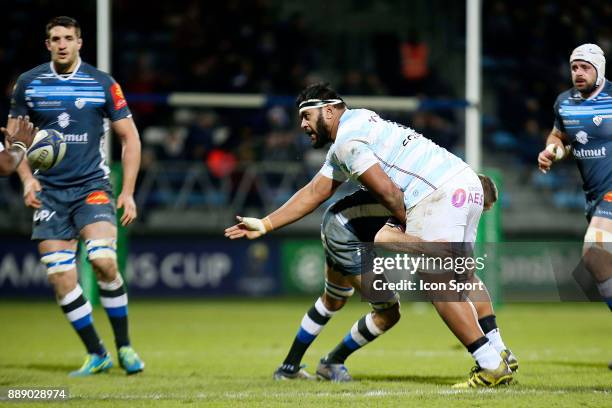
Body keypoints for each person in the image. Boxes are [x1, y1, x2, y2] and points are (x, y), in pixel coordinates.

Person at [225, 83, 516, 387]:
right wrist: (268, 223)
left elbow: (389, 193)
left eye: (307, 116)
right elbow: (316, 191)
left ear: (328, 110)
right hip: (432, 194)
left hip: (386, 214)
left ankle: (490, 362)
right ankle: (497, 353)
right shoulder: (361, 124)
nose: (302, 125)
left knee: (429, 283)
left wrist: (406, 227)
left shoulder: (348, 142)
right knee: (412, 294)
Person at [7, 16, 143, 376]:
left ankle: (125, 347)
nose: (63, 43)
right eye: (56, 38)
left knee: (102, 261)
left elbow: (130, 137)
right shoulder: (29, 84)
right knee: (61, 277)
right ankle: (97, 353)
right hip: (49, 193)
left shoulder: (102, 83)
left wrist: (128, 193)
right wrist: (26, 179)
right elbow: (15, 141)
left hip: (92, 187)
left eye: (69, 37)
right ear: (47, 44)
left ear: (80, 43)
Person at [271, 189, 400, 381]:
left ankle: (289, 368)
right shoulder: (417, 194)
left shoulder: (407, 180)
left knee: (333, 300)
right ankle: (332, 362)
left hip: (339, 221)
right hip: (346, 232)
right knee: (388, 312)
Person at [537, 44, 611, 368]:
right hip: (594, 197)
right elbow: (560, 138)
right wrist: (551, 152)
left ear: (599, 69)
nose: (578, 73)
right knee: (601, 264)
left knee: (594, 253)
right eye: (574, 67)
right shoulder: (564, 103)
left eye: (585, 67)